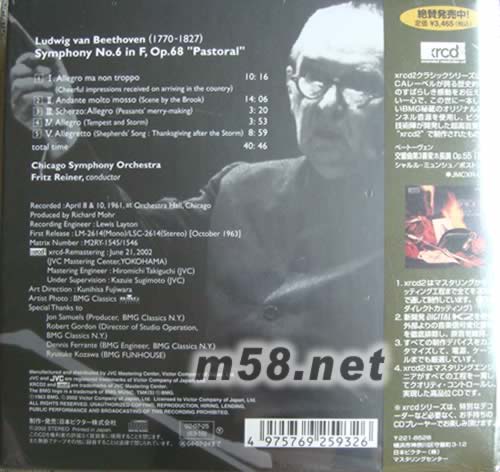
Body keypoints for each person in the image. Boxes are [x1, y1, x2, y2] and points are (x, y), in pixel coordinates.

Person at [11, 2, 384, 470]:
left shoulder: (424, 225)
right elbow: (126, 241)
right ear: (290, 85)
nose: (328, 105)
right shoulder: (239, 185)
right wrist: (64, 136)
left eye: (360, 83)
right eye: (315, 77)